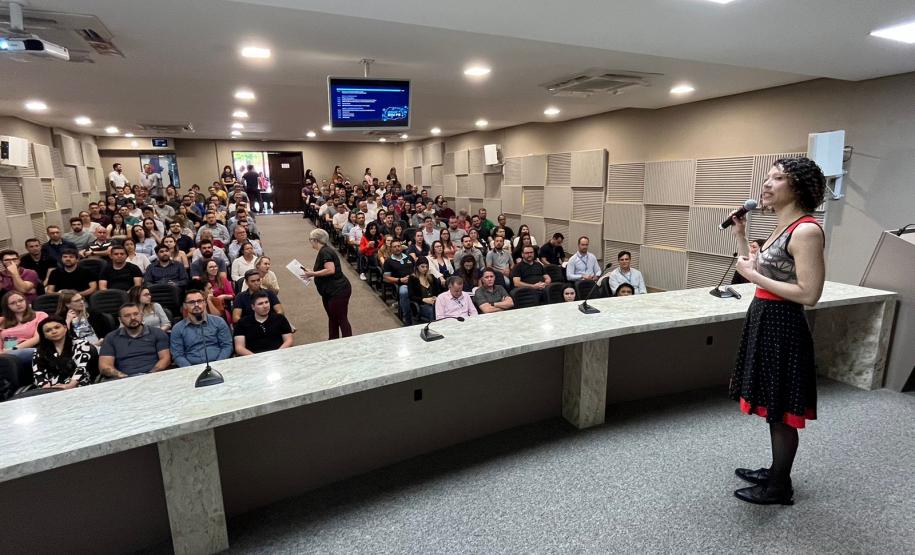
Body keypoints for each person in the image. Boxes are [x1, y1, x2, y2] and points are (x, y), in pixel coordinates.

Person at [728, 157, 827, 506]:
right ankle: (775, 471)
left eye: (778, 178)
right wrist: (742, 238)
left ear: (797, 187)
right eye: (768, 177)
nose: (767, 184)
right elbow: (755, 273)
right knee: (773, 405)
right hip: (765, 318)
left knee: (782, 410)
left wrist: (755, 275)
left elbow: (809, 293)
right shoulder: (781, 227)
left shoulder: (806, 230)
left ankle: (779, 487)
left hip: (784, 325)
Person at [302, 228, 352, 339]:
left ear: (316, 240)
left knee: (341, 318)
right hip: (330, 291)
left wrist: (313, 273)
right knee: (333, 317)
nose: (310, 242)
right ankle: (333, 340)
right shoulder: (324, 251)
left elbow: (330, 270)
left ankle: (349, 342)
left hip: (338, 291)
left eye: (310, 240)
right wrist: (312, 272)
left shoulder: (325, 252)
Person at [99, 303, 171, 378]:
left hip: (155, 376)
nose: (133, 318)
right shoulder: (111, 338)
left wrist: (150, 375)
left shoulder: (157, 333)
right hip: (123, 379)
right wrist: (122, 376)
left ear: (142, 316)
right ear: (120, 320)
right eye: (127, 315)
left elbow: (165, 359)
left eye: (136, 314)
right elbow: (104, 366)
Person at [170, 289, 233, 367]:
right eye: (192, 302)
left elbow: (227, 346)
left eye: (199, 301)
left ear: (205, 303)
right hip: (192, 368)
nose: (196, 305)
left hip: (220, 365)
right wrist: (191, 370)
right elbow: (178, 355)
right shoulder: (177, 328)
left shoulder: (218, 322)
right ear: (185, 305)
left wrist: (218, 364)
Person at [31, 316, 97, 390]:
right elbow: (38, 373)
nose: (54, 331)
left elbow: (81, 368)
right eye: (48, 330)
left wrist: (70, 385)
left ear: (65, 328)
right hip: (51, 388)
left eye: (57, 327)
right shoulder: (39, 351)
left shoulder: (82, 344)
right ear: (44, 335)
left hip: (78, 385)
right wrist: (46, 388)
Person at [233, 291, 294, 355]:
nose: (265, 306)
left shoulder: (280, 319)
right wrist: (257, 358)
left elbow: (289, 340)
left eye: (266, 302)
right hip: (253, 357)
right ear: (253, 307)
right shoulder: (242, 323)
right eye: (260, 304)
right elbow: (239, 347)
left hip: (279, 355)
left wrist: (277, 354)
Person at [0, 290, 46, 369]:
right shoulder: (2, 321)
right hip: (6, 352)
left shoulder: (40, 315)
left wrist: (14, 349)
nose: (18, 304)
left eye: (21, 300)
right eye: (13, 303)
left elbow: (37, 338)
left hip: (28, 350)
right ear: (7, 306)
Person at [382, 238, 414, 325]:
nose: (397, 248)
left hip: (414, 282)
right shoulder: (388, 261)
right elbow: (386, 278)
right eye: (394, 247)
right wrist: (400, 280)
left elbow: (416, 270)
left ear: (401, 247)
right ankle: (407, 319)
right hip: (401, 285)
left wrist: (413, 276)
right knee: (404, 292)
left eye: (399, 246)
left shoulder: (409, 257)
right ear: (391, 249)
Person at [408, 258, 441, 323]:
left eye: (426, 267)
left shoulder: (431, 277)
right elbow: (411, 296)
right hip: (421, 305)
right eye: (422, 267)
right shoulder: (413, 278)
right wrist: (423, 299)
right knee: (432, 311)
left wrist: (435, 297)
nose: (425, 269)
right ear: (417, 267)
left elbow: (438, 292)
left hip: (434, 303)